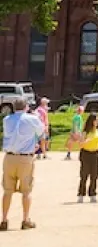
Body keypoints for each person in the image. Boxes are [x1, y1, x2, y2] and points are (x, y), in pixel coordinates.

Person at [1, 98, 44, 231]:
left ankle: (4, 219)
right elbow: (41, 133)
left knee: (7, 191)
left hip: (9, 157)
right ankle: (25, 220)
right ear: (26, 107)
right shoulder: (32, 119)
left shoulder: (7, 119)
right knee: (26, 190)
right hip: (25, 158)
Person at [77, 114, 98, 203]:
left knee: (95, 175)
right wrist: (86, 141)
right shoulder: (85, 132)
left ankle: (92, 193)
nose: (97, 122)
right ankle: (81, 194)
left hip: (95, 153)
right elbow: (80, 144)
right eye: (95, 120)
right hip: (86, 153)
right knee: (84, 175)